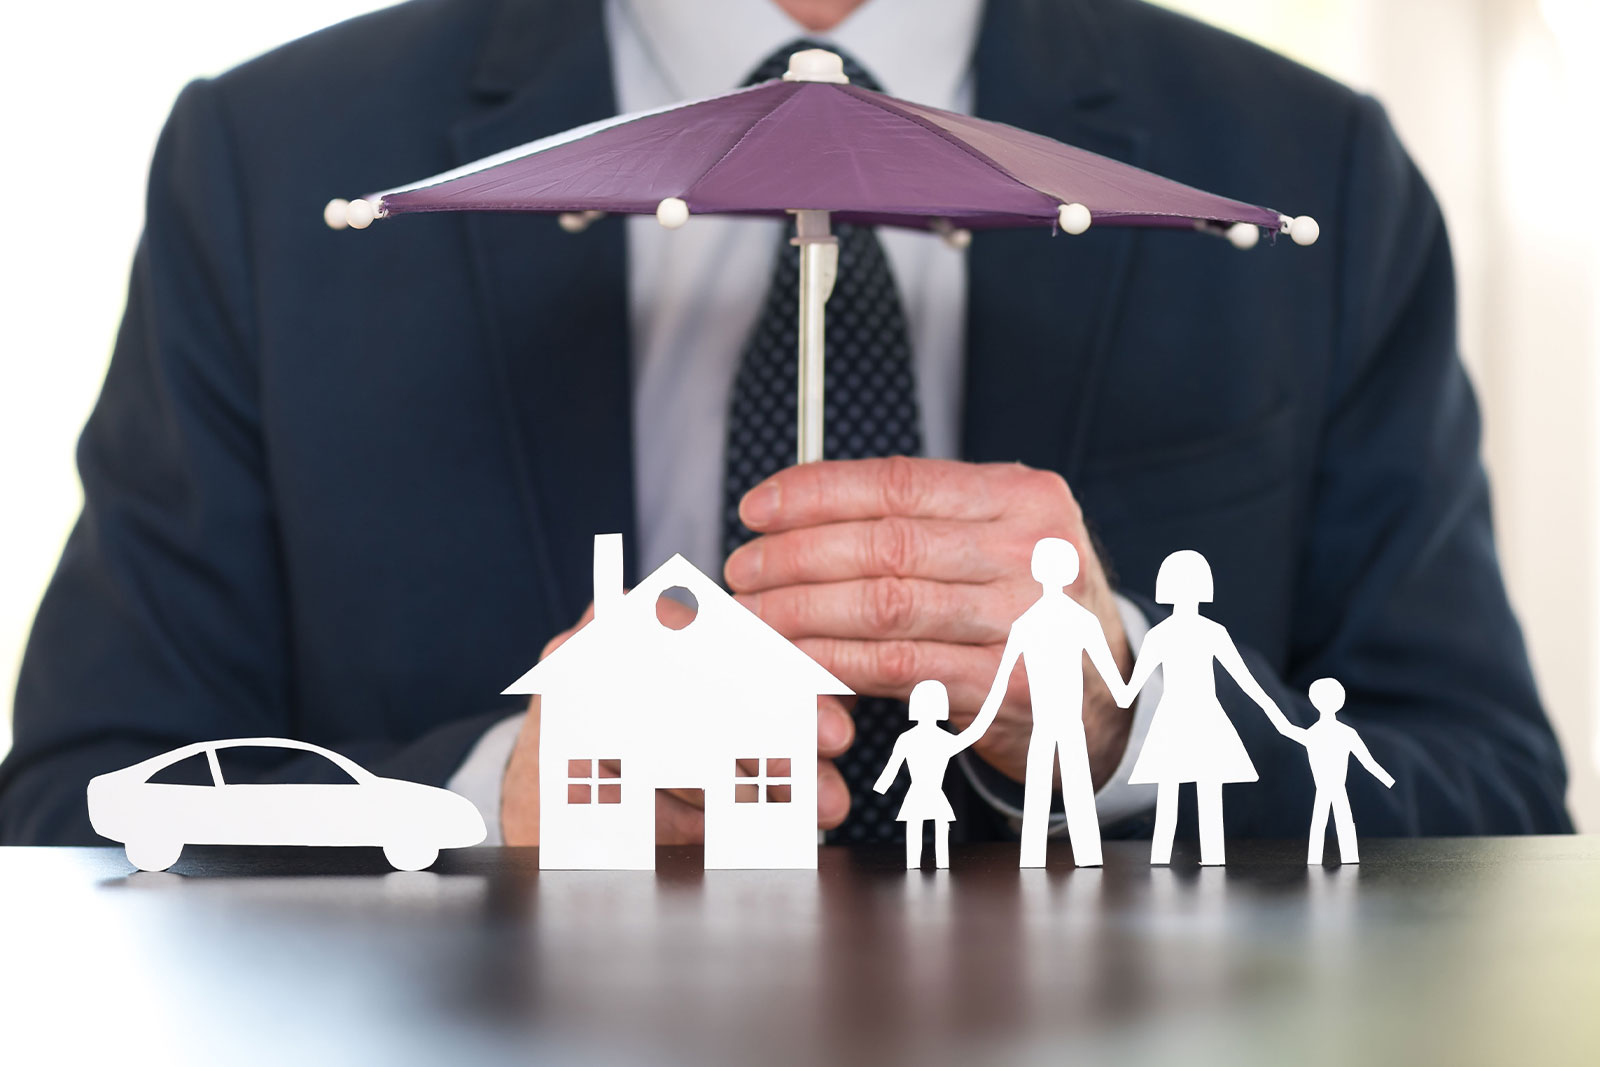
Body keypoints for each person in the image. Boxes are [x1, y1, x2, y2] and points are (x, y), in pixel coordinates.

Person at [0, 0, 1573, 847]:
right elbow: (72, 803)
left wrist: (1127, 737)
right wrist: (480, 800)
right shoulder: (271, 166)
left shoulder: (1307, 172)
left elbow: (1491, 789)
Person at [1121, 551, 1302, 866]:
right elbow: (1247, 683)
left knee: (1173, 796)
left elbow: (1126, 694)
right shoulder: (1206, 632)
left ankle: (1176, 859)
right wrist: (1280, 719)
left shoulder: (1163, 635)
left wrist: (1281, 720)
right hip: (1196, 716)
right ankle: (1206, 858)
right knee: (1201, 795)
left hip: (1184, 717)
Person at [977, 538, 1129, 867]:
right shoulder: (1081, 621)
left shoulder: (1026, 624)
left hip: (1047, 728)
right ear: (1072, 570)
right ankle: (1085, 857)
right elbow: (1119, 687)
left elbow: (999, 687)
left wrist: (972, 732)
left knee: (1039, 797)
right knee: (1078, 793)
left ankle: (1036, 858)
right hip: (1064, 726)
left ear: (1036, 570)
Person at [872, 679, 997, 868]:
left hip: (931, 794)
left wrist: (990, 708)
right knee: (923, 834)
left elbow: (891, 768)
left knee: (932, 834)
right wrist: (881, 788)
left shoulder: (916, 739)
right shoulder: (923, 739)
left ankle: (934, 866)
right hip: (922, 794)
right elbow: (892, 767)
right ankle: (926, 866)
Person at [1294, 678, 1395, 864]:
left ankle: (1330, 859)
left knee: (1327, 824)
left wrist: (1388, 780)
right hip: (1328, 788)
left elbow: (1368, 762)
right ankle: (1329, 859)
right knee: (1333, 823)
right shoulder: (1325, 733)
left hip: (1332, 788)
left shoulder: (1316, 733)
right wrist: (1388, 780)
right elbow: (1368, 762)